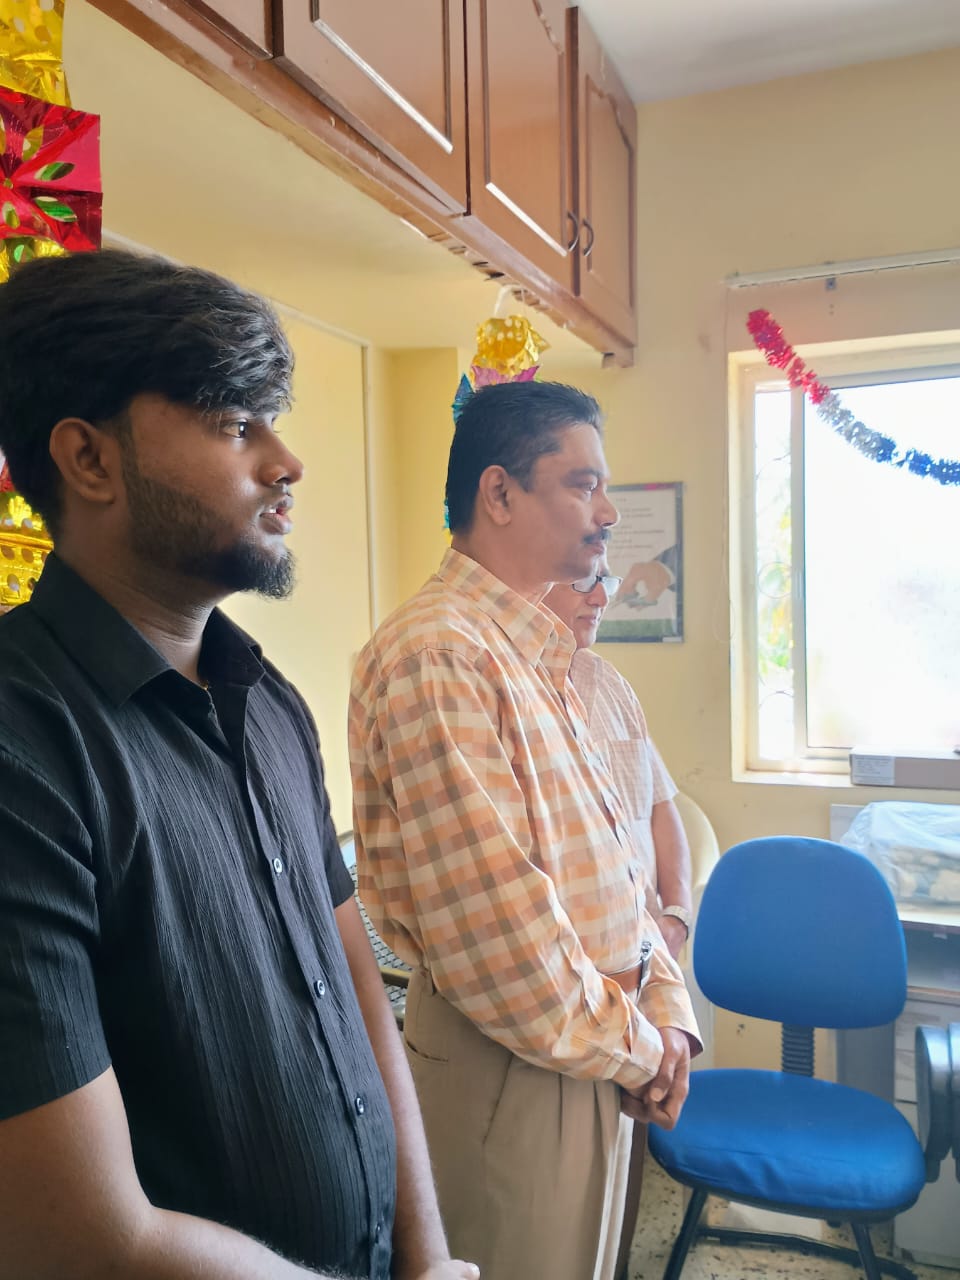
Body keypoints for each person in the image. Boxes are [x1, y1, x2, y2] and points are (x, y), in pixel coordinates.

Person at [0, 249, 477, 1280]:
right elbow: (76, 1233)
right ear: (89, 460)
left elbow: (360, 997)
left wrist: (427, 1255)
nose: (285, 460)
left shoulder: (271, 703)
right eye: (233, 423)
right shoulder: (22, 745)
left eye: (273, 419)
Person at [349, 381, 700, 1280]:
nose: (608, 511)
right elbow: (503, 945)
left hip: (598, 1044)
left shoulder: (541, 656)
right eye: (583, 484)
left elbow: (622, 868)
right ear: (499, 493)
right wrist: (647, 1049)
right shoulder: (440, 653)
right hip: (518, 1063)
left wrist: (663, 1012)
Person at [543, 565, 693, 1280]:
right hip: (573, 995)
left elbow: (662, 810)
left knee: (626, 1170)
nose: (601, 597)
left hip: (643, 968)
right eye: (582, 579)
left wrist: (676, 918)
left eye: (603, 578)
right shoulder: (505, 689)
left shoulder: (610, 685)